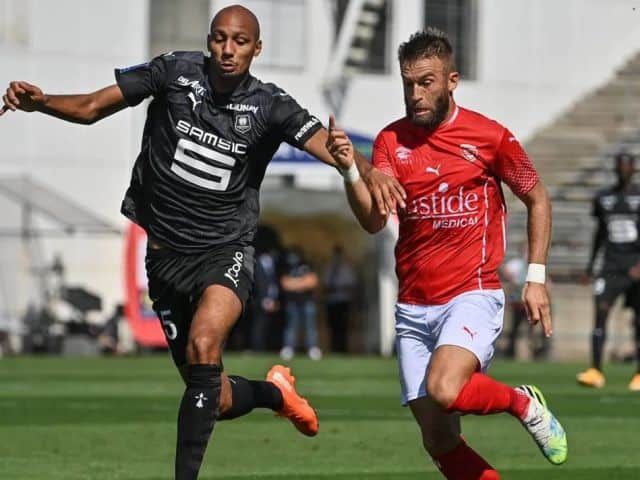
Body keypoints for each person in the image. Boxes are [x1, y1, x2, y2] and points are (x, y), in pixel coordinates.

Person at [1, 5, 405, 479]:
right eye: (219, 39)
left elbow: (325, 142)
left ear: (257, 49)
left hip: (225, 251)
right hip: (165, 257)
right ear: (209, 40)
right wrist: (42, 102)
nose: (227, 50)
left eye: (239, 41)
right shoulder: (174, 72)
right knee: (215, 396)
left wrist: (366, 166)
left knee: (205, 341)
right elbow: (93, 107)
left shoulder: (270, 105)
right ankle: (276, 393)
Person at [326, 28, 567, 479]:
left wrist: (535, 277)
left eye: (427, 82)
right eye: (408, 84)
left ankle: (521, 402)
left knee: (444, 388)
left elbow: (537, 196)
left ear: (451, 80)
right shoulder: (390, 142)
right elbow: (374, 221)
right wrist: (349, 173)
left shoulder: (489, 137)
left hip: (470, 293)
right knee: (438, 439)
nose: (415, 94)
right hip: (413, 306)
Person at [577, 152, 640, 391]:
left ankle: (639, 374)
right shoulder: (604, 198)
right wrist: (590, 266)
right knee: (600, 313)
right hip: (610, 266)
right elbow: (600, 234)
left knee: (639, 320)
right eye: (620, 166)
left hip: (635, 267)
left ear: (633, 169)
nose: (623, 170)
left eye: (627, 166)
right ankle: (595, 370)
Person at [501, 245, 552, 360]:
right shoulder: (516, 264)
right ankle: (510, 351)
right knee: (514, 328)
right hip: (518, 303)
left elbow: (547, 283)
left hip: (530, 303)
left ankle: (536, 352)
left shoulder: (537, 267)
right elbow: (507, 273)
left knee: (533, 329)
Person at [279, 246, 322, 361]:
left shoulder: (307, 265)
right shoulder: (287, 267)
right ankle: (289, 348)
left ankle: (312, 348)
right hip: (292, 302)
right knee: (291, 326)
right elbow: (285, 284)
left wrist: (295, 284)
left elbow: (312, 282)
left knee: (310, 326)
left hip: (307, 302)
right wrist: (302, 283)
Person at [323, 244, 356, 353]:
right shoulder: (329, 268)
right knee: (332, 325)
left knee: (343, 326)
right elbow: (326, 286)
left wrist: (339, 288)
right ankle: (334, 348)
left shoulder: (346, 268)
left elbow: (351, 286)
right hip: (332, 301)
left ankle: (343, 348)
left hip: (343, 301)